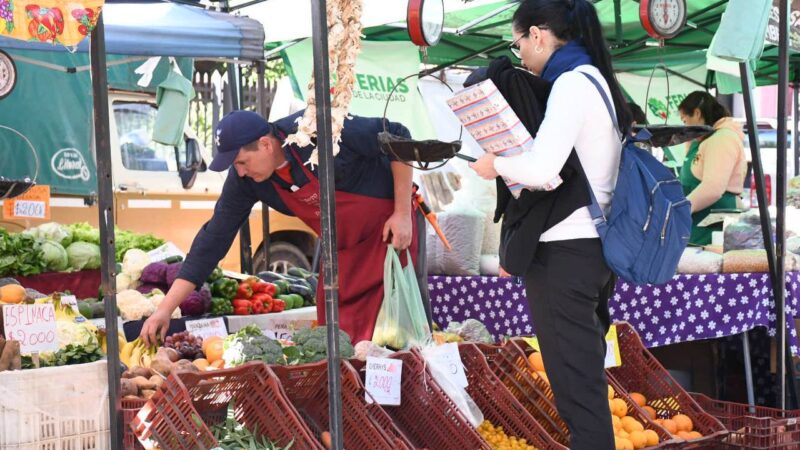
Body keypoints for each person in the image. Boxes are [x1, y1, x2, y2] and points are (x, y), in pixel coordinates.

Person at [468, 1, 631, 449]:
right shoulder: (595, 78)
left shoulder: (571, 85)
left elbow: (544, 170)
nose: (519, 54)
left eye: (518, 42)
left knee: (577, 392)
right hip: (594, 249)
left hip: (565, 253)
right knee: (583, 379)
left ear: (538, 35)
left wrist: (495, 164)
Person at [140, 110, 424, 345]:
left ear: (265, 144)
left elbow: (397, 135)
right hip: (341, 255)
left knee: (396, 338)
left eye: (241, 162)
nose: (239, 172)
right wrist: (166, 309)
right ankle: (353, 410)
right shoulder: (246, 180)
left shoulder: (314, 127)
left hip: (389, 238)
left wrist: (401, 213)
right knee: (339, 343)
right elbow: (213, 239)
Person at [678, 91, 746, 245]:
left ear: (696, 113)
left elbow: (713, 187)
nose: (684, 127)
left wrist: (681, 209)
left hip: (714, 225)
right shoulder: (703, 140)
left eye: (684, 120)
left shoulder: (722, 138)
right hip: (698, 224)